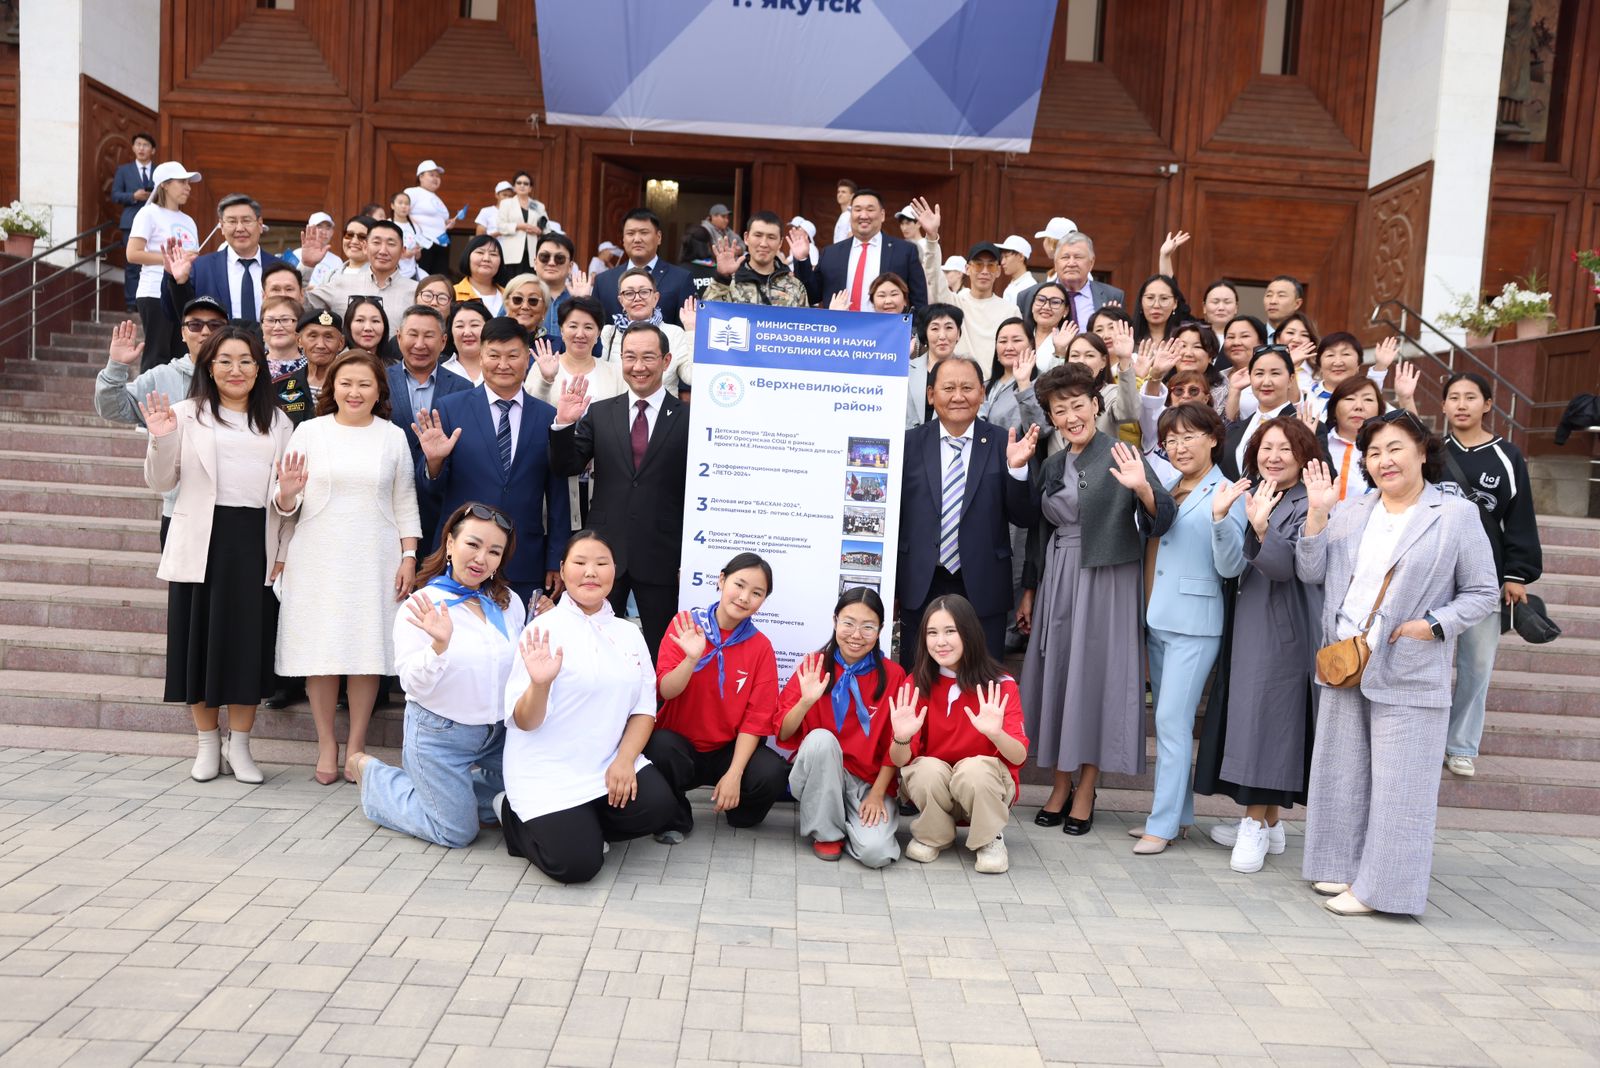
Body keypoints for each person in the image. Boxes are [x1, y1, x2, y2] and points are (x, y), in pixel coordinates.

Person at [1297, 413, 1498, 915]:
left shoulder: (1454, 515)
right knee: (1341, 773)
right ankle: (1341, 868)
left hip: (1409, 663)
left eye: (1394, 448)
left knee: (1400, 786)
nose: (1383, 461)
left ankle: (1382, 891)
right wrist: (1317, 516)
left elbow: (1483, 593)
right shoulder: (1350, 510)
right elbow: (1310, 571)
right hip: (1347, 658)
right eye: (1373, 452)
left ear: (1423, 452)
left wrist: (1430, 625)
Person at [1019, 363, 1175, 835]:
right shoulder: (1049, 462)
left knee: (1096, 679)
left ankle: (1086, 787)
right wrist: (1029, 591)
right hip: (1059, 579)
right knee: (1061, 677)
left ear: (1095, 405)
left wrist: (1143, 488)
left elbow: (1164, 517)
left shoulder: (1122, 452)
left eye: (1077, 405)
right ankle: (1060, 783)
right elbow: (1037, 532)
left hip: (1108, 579)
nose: (1070, 416)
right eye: (1058, 409)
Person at [141, 326, 293, 786]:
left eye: (245, 360)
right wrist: (162, 438)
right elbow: (162, 482)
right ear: (209, 366)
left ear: (259, 366)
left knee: (248, 645)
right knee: (198, 643)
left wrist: (286, 518)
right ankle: (207, 745)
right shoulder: (184, 415)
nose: (236, 370)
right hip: (200, 541)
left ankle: (241, 746)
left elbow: (285, 502)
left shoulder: (278, 421)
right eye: (225, 360)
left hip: (254, 542)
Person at [273, 349, 422, 785]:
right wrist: (285, 493)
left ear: (379, 391)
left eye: (364, 384)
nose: (354, 391)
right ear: (332, 387)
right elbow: (287, 504)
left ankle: (356, 745)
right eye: (346, 383)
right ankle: (326, 744)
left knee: (365, 652)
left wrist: (409, 556)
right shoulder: (309, 432)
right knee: (321, 652)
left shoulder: (392, 436)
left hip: (375, 554)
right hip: (317, 553)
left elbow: (405, 500)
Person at [498, 530, 678, 884]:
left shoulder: (629, 633)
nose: (591, 572)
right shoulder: (543, 630)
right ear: (563, 571)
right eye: (580, 563)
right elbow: (523, 720)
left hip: (604, 765)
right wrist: (540, 683)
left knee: (659, 805)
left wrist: (625, 760)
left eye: (601, 563)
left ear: (615, 571)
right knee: (578, 866)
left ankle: (584, 825)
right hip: (548, 771)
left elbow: (644, 708)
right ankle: (513, 815)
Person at [347, 502, 528, 846]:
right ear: (449, 544)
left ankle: (453, 795)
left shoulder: (507, 603)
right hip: (440, 733)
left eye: (494, 551)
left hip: (498, 733)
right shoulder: (422, 604)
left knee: (532, 795)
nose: (480, 559)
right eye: (472, 545)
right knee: (457, 831)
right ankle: (374, 777)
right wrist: (439, 647)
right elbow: (413, 684)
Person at [1193, 417, 1324, 874]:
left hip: (1283, 628)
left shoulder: (1313, 502)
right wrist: (1223, 518)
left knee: (1269, 722)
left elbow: (1291, 568)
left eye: (1285, 449)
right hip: (1252, 621)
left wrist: (1265, 530)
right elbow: (1231, 565)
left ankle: (1256, 822)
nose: (1273, 456)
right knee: (1257, 719)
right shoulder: (1261, 494)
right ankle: (1268, 821)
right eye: (1267, 447)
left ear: (1305, 455)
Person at [1130, 403, 1245, 854]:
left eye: (1189, 436)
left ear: (1214, 438)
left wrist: (1220, 520)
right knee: (1168, 722)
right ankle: (1176, 817)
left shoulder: (1228, 490)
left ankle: (1161, 824)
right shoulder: (1170, 486)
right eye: (1171, 439)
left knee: (1171, 722)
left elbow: (1231, 564)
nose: (1179, 447)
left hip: (1196, 624)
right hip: (1159, 617)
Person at [549, 324, 690, 660]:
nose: (638, 366)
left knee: (661, 652)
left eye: (648, 357)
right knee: (593, 647)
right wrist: (564, 423)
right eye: (630, 357)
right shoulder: (601, 412)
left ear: (666, 360)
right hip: (604, 553)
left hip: (662, 554)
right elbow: (565, 465)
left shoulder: (688, 418)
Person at [413, 317, 569, 607]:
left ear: (527, 359)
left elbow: (557, 492)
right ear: (481, 356)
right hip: (461, 557)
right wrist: (433, 463)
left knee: (521, 644)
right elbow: (430, 490)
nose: (503, 364)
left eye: (513, 356)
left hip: (524, 557)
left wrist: (555, 557)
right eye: (494, 355)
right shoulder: (451, 407)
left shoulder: (547, 416)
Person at [898, 356, 1040, 664]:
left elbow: (1025, 516)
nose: (958, 396)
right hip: (921, 580)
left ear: (983, 393)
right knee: (918, 677)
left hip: (983, 582)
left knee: (980, 681)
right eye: (948, 387)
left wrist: (1017, 471)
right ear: (931, 394)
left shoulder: (1005, 442)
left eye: (967, 387)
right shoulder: (908, 444)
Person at [644, 553, 788, 843]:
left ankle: (738, 811)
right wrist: (691, 659)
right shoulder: (685, 624)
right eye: (739, 584)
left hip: (727, 750)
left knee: (771, 772)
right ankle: (675, 816)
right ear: (722, 580)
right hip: (681, 747)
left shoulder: (760, 647)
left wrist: (735, 773)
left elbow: (756, 719)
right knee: (659, 746)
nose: (745, 597)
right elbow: (665, 690)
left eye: (757, 593)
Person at [1441, 372, 1543, 778]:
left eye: (1471, 397)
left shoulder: (1507, 456)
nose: (1461, 404)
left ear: (1488, 404)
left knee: (1478, 663)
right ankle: (1422, 734)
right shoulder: (1430, 451)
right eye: (1453, 397)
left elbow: (1520, 517)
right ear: (1444, 405)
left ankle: (1461, 745)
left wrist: (1516, 573)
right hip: (1431, 572)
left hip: (1485, 575)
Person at [890, 594, 1028, 874]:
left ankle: (989, 838)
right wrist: (901, 736)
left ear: (969, 632)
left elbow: (1019, 756)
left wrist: (997, 733)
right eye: (932, 633)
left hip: (985, 786)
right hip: (938, 788)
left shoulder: (1000, 685)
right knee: (924, 768)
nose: (940, 641)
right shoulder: (916, 683)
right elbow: (900, 761)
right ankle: (934, 835)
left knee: (974, 768)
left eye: (950, 631)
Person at [777, 588, 908, 866]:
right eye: (848, 623)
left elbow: (893, 745)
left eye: (868, 627)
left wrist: (876, 794)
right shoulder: (814, 665)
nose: (856, 635)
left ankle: (846, 822)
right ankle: (827, 833)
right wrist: (805, 702)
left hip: (867, 783)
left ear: (881, 629)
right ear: (835, 621)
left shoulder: (894, 676)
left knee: (877, 854)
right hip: (819, 776)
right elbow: (783, 733)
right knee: (821, 739)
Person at [95, 301, 226, 543]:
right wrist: (116, 367)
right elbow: (113, 408)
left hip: (233, 510)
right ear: (183, 333)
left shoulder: (242, 377)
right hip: (180, 509)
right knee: (181, 583)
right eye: (195, 325)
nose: (205, 331)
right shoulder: (162, 376)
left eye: (215, 325)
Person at [529, 299, 628, 532]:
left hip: (602, 479)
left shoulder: (614, 371)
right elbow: (531, 416)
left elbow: (622, 421)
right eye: (573, 326)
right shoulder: (543, 367)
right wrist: (546, 380)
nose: (580, 334)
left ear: (599, 333)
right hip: (552, 475)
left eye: (589, 327)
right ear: (561, 330)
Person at [792, 188, 928, 312]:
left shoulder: (904, 251)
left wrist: (914, 333)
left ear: (882, 215)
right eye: (857, 210)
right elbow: (812, 295)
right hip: (840, 331)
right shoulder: (831, 253)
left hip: (887, 334)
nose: (863, 215)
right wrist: (802, 259)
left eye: (870, 209)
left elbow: (919, 300)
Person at [126, 161, 202, 370]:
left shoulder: (189, 220)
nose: (188, 187)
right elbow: (132, 254)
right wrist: (170, 260)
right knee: (157, 356)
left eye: (189, 183)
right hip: (154, 293)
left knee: (181, 356)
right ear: (165, 185)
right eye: (182, 182)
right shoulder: (148, 213)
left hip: (182, 294)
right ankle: (148, 401)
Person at [162, 193, 279, 323]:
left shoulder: (278, 268)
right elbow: (176, 315)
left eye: (246, 220)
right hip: (216, 342)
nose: (240, 228)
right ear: (222, 227)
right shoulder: (201, 267)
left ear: (260, 224)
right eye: (232, 221)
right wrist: (176, 280)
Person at [593, 210, 696, 326]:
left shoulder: (681, 279)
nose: (637, 239)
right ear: (623, 239)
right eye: (630, 233)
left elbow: (687, 328)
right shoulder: (603, 281)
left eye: (644, 232)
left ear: (659, 237)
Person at [303, 220, 414, 326]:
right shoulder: (341, 283)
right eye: (376, 242)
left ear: (403, 251)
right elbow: (299, 306)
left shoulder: (416, 291)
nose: (383, 251)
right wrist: (307, 266)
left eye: (391, 244)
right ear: (365, 247)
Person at [1014, 233, 1124, 330]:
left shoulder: (1112, 296)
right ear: (1056, 264)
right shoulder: (1028, 295)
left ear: (1091, 262)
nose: (1071, 263)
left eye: (1078, 257)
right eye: (1065, 257)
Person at [1221, 343, 1299, 478]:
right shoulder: (1239, 428)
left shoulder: (1304, 425)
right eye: (1259, 374)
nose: (1266, 382)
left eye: (1275, 373)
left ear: (1291, 379)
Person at [701, 211, 810, 307]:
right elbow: (708, 317)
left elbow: (803, 326)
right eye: (758, 235)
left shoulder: (794, 286)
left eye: (771, 237)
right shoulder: (729, 282)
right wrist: (722, 278)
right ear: (746, 238)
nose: (763, 244)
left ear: (780, 243)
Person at [1318, 374, 1389, 502]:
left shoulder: (1389, 450)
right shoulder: (1319, 444)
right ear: (1333, 408)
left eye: (1368, 400)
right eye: (1350, 399)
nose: (1359, 406)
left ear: (1380, 410)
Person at [274, 307, 344, 426]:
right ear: (299, 341)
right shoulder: (280, 387)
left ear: (341, 343)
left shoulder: (350, 387)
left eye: (328, 337)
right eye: (312, 336)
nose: (321, 345)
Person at [112, 132, 158, 310]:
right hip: (131, 221)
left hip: (155, 222)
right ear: (133, 148)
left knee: (153, 261)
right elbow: (115, 195)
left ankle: (152, 300)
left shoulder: (158, 171)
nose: (141, 148)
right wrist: (133, 196)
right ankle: (132, 303)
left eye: (145, 145)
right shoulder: (123, 170)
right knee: (132, 264)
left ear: (152, 150)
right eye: (138, 144)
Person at [406, 160, 453, 276]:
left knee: (439, 279)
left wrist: (448, 223)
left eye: (438, 176)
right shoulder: (413, 192)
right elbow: (403, 213)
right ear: (420, 176)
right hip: (423, 243)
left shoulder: (437, 198)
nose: (436, 178)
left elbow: (440, 220)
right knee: (423, 280)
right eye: (431, 175)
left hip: (441, 243)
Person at [532, 232, 579, 347]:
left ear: (570, 266)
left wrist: (581, 302)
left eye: (559, 258)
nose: (551, 263)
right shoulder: (518, 296)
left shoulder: (580, 298)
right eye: (544, 257)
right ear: (535, 262)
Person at [452, 234, 505, 316]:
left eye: (493, 254)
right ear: (467, 257)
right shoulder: (453, 293)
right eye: (480, 252)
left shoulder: (510, 296)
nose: (486, 259)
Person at [1130, 274, 1190, 343]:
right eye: (1150, 298)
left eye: (1164, 298)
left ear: (1175, 303)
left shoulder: (1183, 340)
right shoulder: (1128, 337)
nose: (1156, 305)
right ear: (1141, 302)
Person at [442, 301, 490, 384]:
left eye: (474, 325)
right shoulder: (441, 372)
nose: (467, 332)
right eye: (460, 326)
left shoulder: (501, 368)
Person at [259, 296, 303, 377]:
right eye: (270, 320)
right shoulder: (253, 364)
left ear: (300, 325)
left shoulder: (313, 367)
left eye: (285, 320)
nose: (277, 327)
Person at [389, 192, 423, 281]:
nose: (404, 206)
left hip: (412, 274)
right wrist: (403, 254)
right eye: (400, 203)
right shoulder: (387, 224)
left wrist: (416, 252)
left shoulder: (415, 227)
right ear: (392, 206)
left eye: (407, 203)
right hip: (392, 273)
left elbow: (418, 257)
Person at [503, 273, 550, 339]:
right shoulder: (493, 341)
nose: (525, 306)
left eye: (533, 300)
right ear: (507, 305)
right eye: (517, 299)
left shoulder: (558, 346)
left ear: (544, 309)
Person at [998, 235, 1037, 304]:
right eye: (1002, 257)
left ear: (1021, 257)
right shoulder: (1013, 284)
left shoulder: (1029, 286)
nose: (1002, 262)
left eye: (1006, 257)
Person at [1262, 275, 1304, 339]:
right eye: (1269, 295)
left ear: (1297, 304)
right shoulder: (1256, 337)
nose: (1273, 301)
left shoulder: (1305, 341)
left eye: (1281, 295)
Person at [1200, 280, 1238, 350]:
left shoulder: (1243, 339)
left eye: (1227, 302)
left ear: (1236, 307)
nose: (1221, 308)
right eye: (1215, 302)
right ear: (1204, 307)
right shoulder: (1195, 336)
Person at [831, 178, 857, 244]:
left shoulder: (851, 214)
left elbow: (851, 236)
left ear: (852, 196)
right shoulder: (844, 214)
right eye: (838, 192)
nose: (840, 194)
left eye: (843, 192)